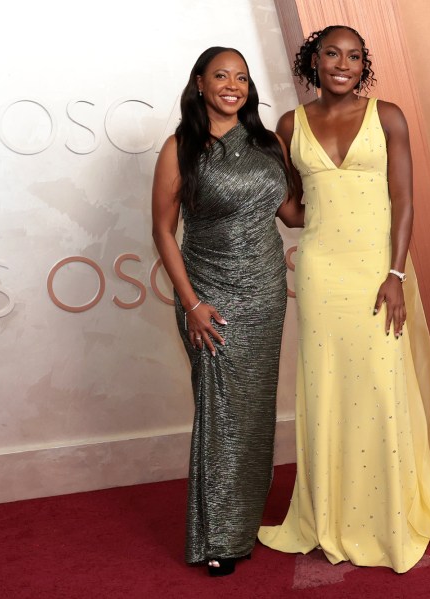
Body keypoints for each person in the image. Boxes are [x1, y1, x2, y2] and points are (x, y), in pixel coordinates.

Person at [257, 25, 430, 573]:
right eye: (332, 53)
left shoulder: (389, 116)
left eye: (354, 56)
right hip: (321, 273)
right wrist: (306, 221)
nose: (343, 64)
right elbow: (291, 205)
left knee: (381, 386)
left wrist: (396, 271)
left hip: (378, 272)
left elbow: (405, 199)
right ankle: (330, 513)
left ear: (363, 66)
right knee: (327, 387)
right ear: (314, 60)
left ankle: (388, 512)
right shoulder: (289, 125)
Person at [152, 46, 303, 577]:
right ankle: (218, 534)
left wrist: (353, 182)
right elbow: (163, 232)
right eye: (221, 75)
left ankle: (241, 522)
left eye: (241, 76)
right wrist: (191, 302)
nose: (233, 84)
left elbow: (292, 214)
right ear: (200, 83)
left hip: (264, 292)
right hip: (208, 296)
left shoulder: (267, 143)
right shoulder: (181, 148)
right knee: (219, 409)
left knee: (254, 409)